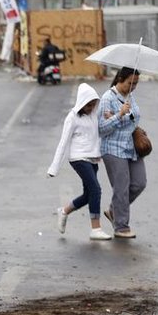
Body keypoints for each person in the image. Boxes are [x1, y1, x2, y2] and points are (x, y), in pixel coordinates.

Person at [48, 83, 111, 240]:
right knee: (96, 189)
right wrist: (54, 168)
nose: (90, 108)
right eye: (88, 105)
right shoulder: (72, 117)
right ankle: (95, 229)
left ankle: (64, 211)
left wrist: (110, 117)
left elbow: (101, 130)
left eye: (93, 105)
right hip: (78, 158)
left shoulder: (94, 115)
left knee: (89, 194)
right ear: (81, 102)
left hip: (92, 158)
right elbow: (63, 142)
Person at [98, 67, 145, 239]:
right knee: (121, 188)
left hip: (131, 147)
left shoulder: (129, 97)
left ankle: (114, 210)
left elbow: (134, 118)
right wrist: (119, 115)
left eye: (136, 83)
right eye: (130, 83)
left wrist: (126, 116)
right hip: (113, 148)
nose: (133, 87)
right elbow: (102, 129)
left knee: (139, 183)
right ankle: (121, 227)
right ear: (120, 79)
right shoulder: (107, 98)